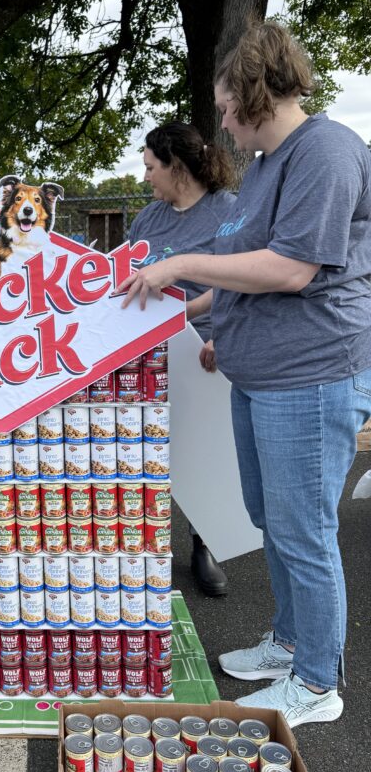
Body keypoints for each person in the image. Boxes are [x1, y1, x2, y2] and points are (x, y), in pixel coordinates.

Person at [119, 21, 371, 727]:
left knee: (304, 528)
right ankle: (289, 643)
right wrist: (180, 306)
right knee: (271, 517)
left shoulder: (324, 151)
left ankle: (317, 682)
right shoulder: (266, 166)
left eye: (229, 107)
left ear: (260, 96)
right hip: (262, 373)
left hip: (311, 372)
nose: (222, 123)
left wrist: (180, 264)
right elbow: (238, 278)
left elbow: (291, 268)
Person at [129, 121, 237, 597]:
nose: (146, 177)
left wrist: (196, 318)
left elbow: (240, 279)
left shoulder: (228, 211)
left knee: (201, 448)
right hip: (152, 352)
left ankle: (204, 543)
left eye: (152, 167)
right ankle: (144, 545)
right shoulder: (147, 219)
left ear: (176, 166)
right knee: (149, 448)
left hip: (207, 349)